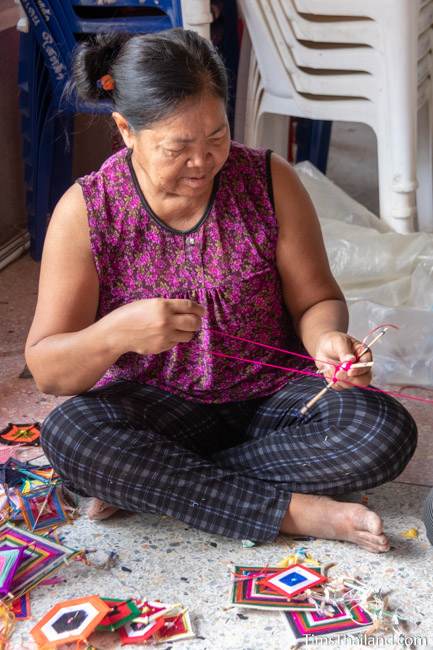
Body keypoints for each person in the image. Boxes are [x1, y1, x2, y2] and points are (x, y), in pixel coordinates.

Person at [25, 29, 417, 553]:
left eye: (216, 136)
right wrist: (115, 332)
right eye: (178, 147)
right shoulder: (89, 211)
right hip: (161, 412)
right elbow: (50, 369)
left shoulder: (267, 180)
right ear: (126, 130)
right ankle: (297, 511)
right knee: (71, 436)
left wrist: (327, 340)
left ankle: (156, 486)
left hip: (275, 401)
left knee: (382, 431)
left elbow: (317, 299)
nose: (203, 161)